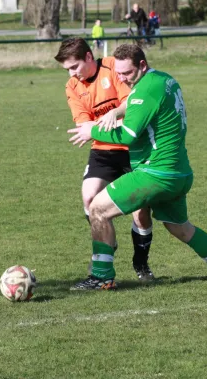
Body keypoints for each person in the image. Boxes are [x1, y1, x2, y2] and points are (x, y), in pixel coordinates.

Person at [67, 44, 207, 290]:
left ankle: (101, 277)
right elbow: (142, 107)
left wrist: (92, 130)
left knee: (97, 208)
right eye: (118, 74)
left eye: (127, 73)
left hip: (155, 172)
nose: (121, 78)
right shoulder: (166, 80)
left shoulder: (144, 91)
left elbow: (129, 134)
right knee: (180, 228)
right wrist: (117, 110)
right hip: (178, 172)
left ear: (142, 65)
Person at [54, 38, 156, 282]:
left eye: (75, 66)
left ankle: (141, 264)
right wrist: (104, 124)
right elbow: (83, 125)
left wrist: (111, 119)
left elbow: (133, 107)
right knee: (89, 197)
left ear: (89, 57)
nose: (71, 74)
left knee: (140, 212)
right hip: (103, 148)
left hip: (132, 147)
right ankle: (106, 245)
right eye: (67, 69)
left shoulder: (114, 67)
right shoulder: (72, 86)